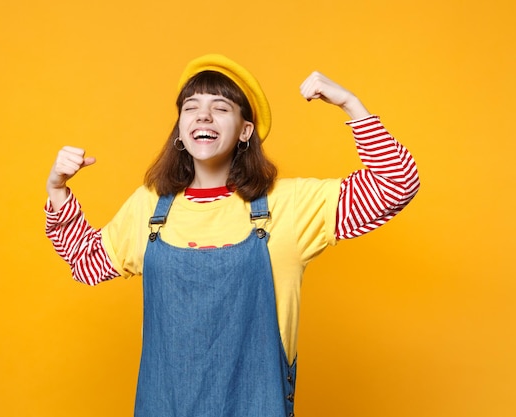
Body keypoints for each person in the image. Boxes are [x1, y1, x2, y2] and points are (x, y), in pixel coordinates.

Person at [44, 54, 420, 417]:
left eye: (221, 107)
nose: (203, 114)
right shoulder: (148, 207)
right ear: (180, 128)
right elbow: (86, 262)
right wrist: (58, 189)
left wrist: (351, 104)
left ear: (245, 131)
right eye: (191, 107)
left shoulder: (289, 205)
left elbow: (396, 184)